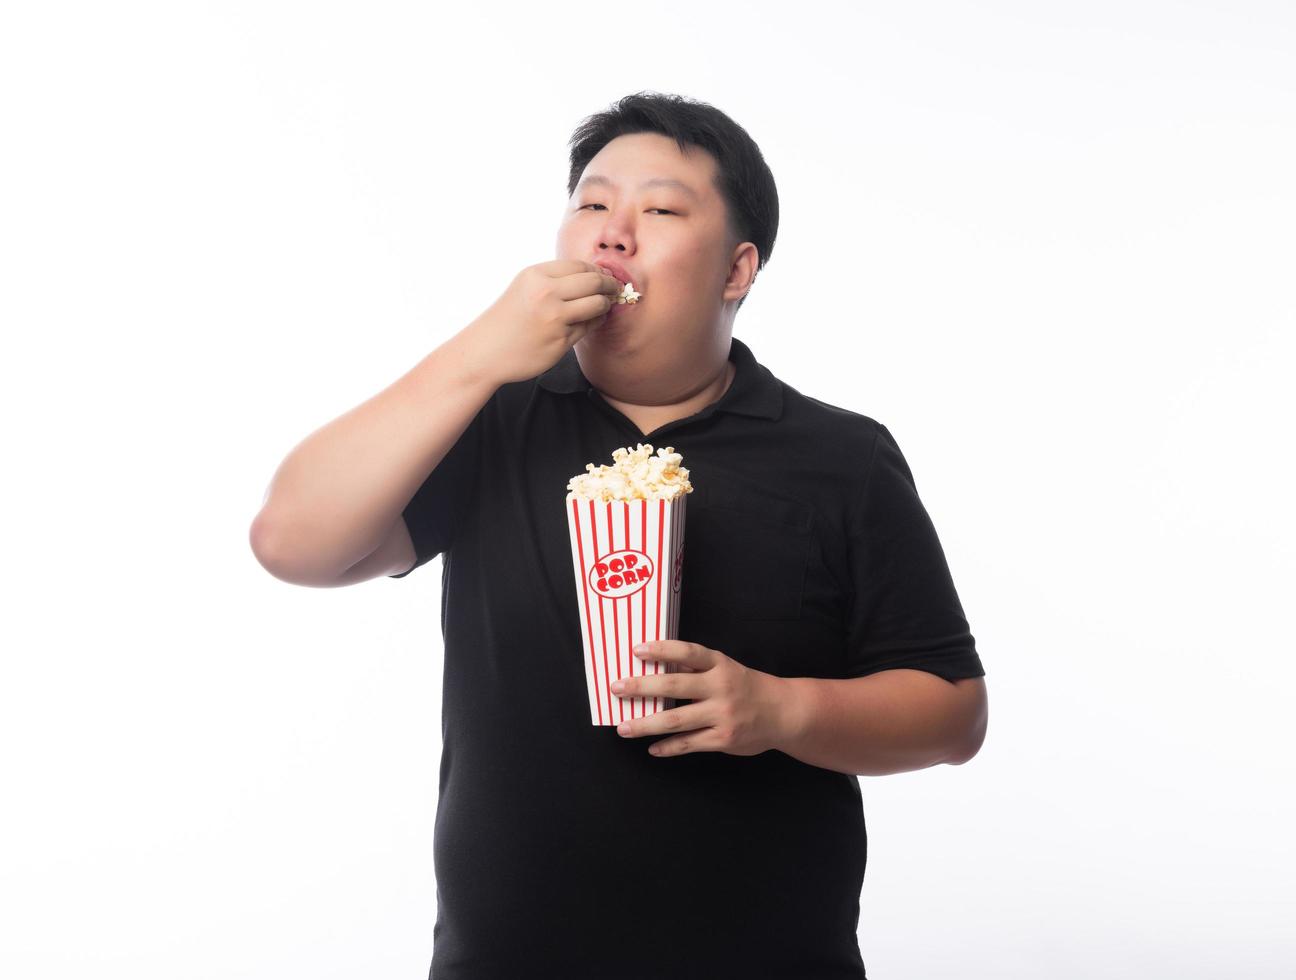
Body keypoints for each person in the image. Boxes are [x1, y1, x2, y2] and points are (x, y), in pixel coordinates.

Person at [251, 91, 988, 980]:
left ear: (737, 270)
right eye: (592, 206)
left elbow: (952, 711)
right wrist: (482, 353)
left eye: (661, 210)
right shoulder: (488, 418)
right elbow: (291, 541)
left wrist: (780, 710)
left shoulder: (842, 457)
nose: (612, 233)